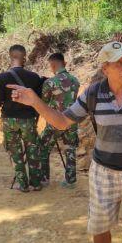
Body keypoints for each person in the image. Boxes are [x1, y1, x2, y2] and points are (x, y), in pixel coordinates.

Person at [8, 41, 122, 243]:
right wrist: (35, 102)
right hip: (103, 173)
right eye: (119, 64)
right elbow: (62, 121)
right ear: (105, 68)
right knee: (99, 224)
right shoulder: (93, 93)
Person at [0, 44, 45, 192]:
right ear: (24, 58)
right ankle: (36, 183)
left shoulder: (1, 78)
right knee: (32, 149)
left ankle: (23, 185)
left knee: (15, 152)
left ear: (10, 57)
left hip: (9, 120)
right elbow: (38, 100)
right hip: (28, 119)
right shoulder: (34, 77)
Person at [38, 52, 80, 188]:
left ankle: (44, 179)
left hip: (55, 122)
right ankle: (70, 181)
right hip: (72, 121)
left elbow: (44, 103)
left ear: (53, 65)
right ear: (65, 63)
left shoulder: (50, 82)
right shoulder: (75, 81)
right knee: (70, 149)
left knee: (43, 147)